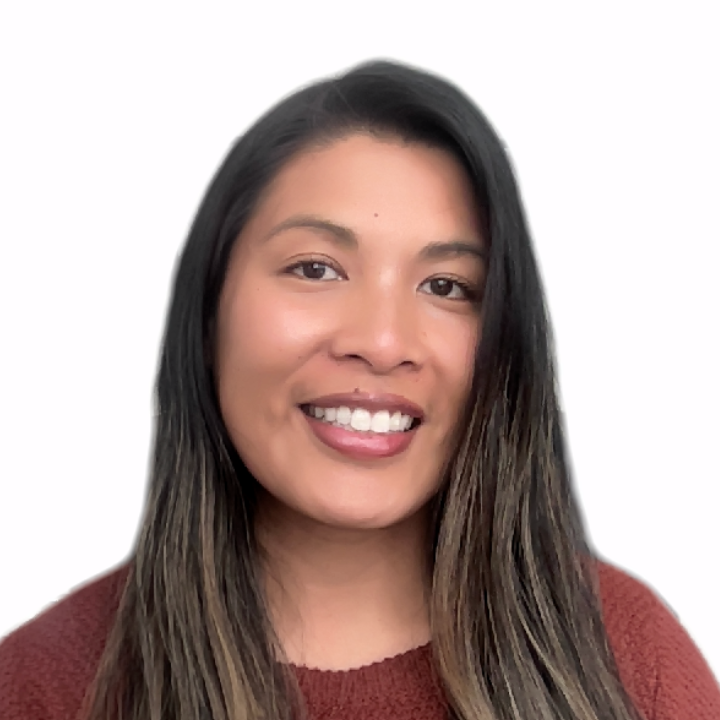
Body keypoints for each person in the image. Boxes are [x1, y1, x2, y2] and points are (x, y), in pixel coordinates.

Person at [0, 59, 718, 720]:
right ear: (209, 307)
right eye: (315, 268)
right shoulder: (43, 687)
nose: (380, 341)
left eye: (446, 286)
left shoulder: (629, 661)